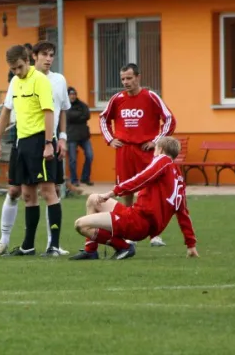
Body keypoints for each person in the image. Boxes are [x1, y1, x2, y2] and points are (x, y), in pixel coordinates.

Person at [0, 41, 70, 256]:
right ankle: (28, 245)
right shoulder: (15, 82)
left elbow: (48, 112)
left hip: (39, 141)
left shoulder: (41, 81)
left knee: (48, 191)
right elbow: (6, 112)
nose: (17, 72)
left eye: (19, 67)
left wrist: (48, 144)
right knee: (26, 194)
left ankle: (53, 245)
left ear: (28, 61)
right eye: (13, 69)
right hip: (21, 143)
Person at [70, 137, 198, 260]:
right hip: (139, 220)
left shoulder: (163, 160)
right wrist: (191, 245)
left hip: (136, 222)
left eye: (155, 150)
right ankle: (90, 251)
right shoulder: (178, 177)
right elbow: (183, 213)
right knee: (93, 199)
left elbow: (141, 179)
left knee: (81, 225)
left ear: (160, 150)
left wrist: (111, 193)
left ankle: (123, 247)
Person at [99, 63, 176, 248]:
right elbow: (103, 119)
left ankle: (155, 234)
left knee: (149, 192)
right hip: (125, 151)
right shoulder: (117, 99)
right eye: (123, 79)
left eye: (129, 78)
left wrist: (156, 141)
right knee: (126, 190)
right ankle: (127, 232)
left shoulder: (150, 96)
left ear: (138, 77)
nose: (126, 82)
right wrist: (110, 139)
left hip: (146, 151)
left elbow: (169, 119)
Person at [66, 87, 94, 187]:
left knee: (90, 156)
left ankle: (85, 178)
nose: (72, 96)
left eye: (74, 94)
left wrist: (76, 116)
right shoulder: (65, 105)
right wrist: (79, 116)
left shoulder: (82, 105)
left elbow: (87, 115)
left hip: (84, 136)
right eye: (70, 94)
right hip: (71, 136)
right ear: (67, 95)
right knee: (72, 159)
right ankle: (74, 180)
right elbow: (68, 116)